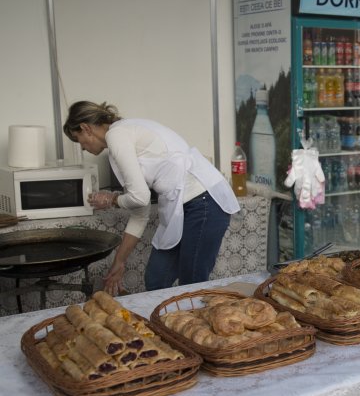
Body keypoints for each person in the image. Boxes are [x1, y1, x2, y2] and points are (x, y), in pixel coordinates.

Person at [63, 101, 241, 295]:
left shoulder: (117, 134)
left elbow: (139, 198)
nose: (82, 147)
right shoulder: (120, 140)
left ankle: (189, 323)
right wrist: (119, 262)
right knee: (157, 279)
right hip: (181, 207)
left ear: (85, 128)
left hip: (205, 201)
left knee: (192, 283)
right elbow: (140, 211)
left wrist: (113, 199)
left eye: (77, 139)